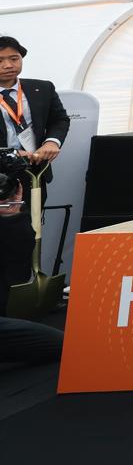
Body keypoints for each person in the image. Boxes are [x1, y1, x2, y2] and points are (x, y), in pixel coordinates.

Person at [0, 36, 69, 315]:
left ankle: (23, 297)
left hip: (34, 176)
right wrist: (9, 154)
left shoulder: (42, 88)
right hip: (1, 178)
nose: (8, 65)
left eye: (14, 58)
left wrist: (52, 141)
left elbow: (59, 119)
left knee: (28, 236)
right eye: (0, 60)